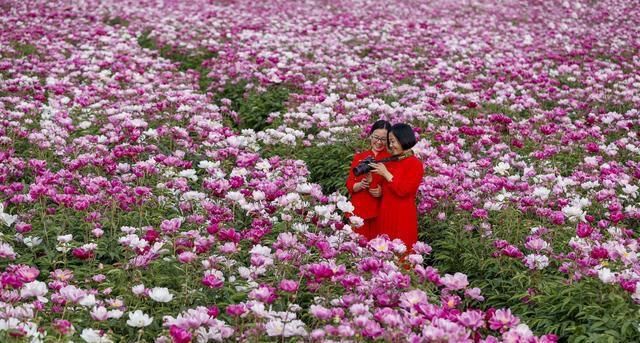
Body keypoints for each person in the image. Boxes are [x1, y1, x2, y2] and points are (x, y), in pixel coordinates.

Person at [369, 123, 424, 251]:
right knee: (383, 250)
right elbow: (388, 187)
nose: (391, 145)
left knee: (401, 250)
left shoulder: (414, 163)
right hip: (385, 212)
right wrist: (379, 191)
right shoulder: (393, 160)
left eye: (393, 141)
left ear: (403, 139)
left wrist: (386, 174)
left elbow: (404, 190)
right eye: (390, 142)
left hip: (402, 215)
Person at [345, 120, 392, 240]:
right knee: (357, 244)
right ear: (370, 135)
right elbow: (350, 183)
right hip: (359, 207)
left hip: (379, 209)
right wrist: (359, 185)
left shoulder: (391, 159)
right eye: (376, 137)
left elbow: (394, 183)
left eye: (383, 139)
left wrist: (382, 191)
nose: (379, 142)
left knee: (377, 245)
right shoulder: (360, 157)